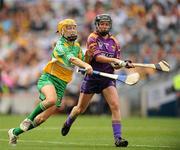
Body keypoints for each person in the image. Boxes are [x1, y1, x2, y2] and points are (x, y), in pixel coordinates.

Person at [8, 18, 93, 146]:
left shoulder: (76, 47)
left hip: (61, 85)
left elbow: (83, 61)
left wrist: (89, 57)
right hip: (49, 79)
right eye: (68, 28)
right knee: (51, 100)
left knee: (42, 119)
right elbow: (73, 60)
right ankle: (28, 119)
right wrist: (86, 65)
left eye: (73, 27)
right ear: (61, 32)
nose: (72, 30)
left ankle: (15, 132)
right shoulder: (59, 46)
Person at [61, 14, 134, 147]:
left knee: (115, 106)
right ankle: (68, 122)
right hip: (92, 78)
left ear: (110, 25)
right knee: (80, 109)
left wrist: (123, 63)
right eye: (102, 24)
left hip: (107, 78)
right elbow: (98, 57)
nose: (104, 26)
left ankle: (118, 138)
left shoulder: (115, 42)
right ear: (97, 25)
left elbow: (115, 65)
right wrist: (115, 60)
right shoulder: (92, 38)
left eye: (106, 24)